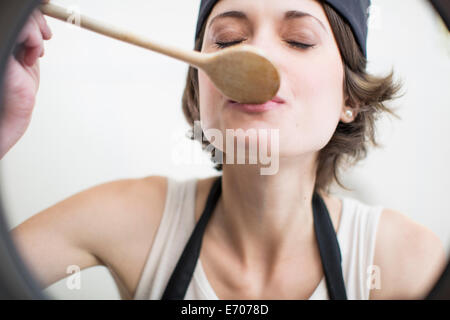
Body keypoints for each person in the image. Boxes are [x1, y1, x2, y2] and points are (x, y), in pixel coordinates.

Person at [1, 0, 447, 300]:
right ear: (200, 90)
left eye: (299, 40)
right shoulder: (131, 217)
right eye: (229, 40)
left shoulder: (402, 259)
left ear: (350, 98)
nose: (259, 54)